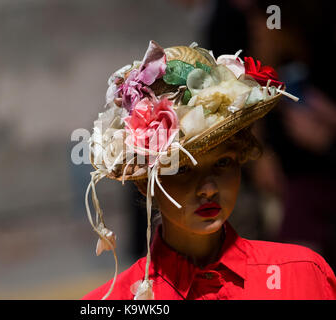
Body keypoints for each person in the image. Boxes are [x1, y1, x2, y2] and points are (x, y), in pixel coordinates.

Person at [81, 41, 336, 300]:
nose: (209, 188)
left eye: (222, 162)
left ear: (241, 158)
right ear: (145, 182)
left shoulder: (303, 276)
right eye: (182, 169)